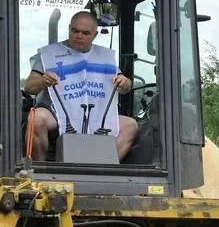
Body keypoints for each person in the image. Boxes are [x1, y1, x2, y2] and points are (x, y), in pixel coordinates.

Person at [23, 10, 138, 162]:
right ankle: (40, 170)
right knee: (35, 119)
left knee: (131, 126)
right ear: (69, 28)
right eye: (75, 31)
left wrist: (125, 83)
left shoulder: (104, 57)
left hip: (96, 114)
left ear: (95, 35)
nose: (79, 36)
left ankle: (104, 169)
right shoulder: (49, 55)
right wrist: (42, 81)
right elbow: (29, 87)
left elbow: (125, 86)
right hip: (56, 113)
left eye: (85, 33)